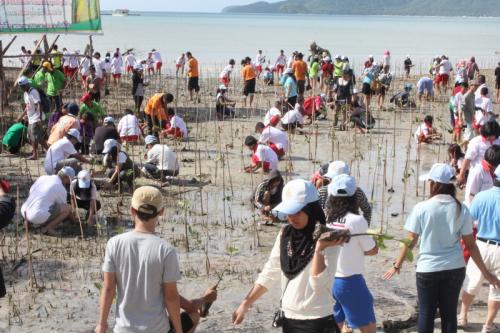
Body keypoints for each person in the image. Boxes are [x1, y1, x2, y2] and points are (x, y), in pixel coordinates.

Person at [383, 163, 500, 333]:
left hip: (427, 269)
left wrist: (397, 265)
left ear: (434, 184)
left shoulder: (421, 208)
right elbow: (471, 246)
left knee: (426, 313)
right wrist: (487, 273)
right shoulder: (461, 209)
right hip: (455, 268)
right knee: (449, 314)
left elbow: (410, 242)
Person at [232, 179, 345, 332]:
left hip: (318, 320)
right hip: (289, 318)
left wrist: (319, 249)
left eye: (298, 211)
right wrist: (246, 303)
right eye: (289, 212)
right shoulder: (285, 234)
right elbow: (270, 272)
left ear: (310, 209)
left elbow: (320, 285)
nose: (292, 217)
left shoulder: (329, 239)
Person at [95, 186, 183, 333]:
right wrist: (179, 331)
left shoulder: (114, 243)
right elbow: (171, 297)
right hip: (157, 329)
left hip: (123, 329)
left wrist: (102, 324)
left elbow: (109, 288)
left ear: (132, 210)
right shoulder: (166, 250)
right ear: (161, 212)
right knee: (192, 319)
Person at [325, 174, 378, 333]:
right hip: (350, 281)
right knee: (368, 327)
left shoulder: (327, 219)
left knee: (336, 325)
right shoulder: (357, 220)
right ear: (354, 196)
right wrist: (374, 244)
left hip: (330, 280)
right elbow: (371, 250)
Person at [459, 165, 500, 333]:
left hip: (481, 245)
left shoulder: (481, 196)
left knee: (471, 283)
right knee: (497, 289)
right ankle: (488, 325)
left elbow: (468, 220)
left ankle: (463, 316)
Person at [21, 166, 76, 236]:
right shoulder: (60, 187)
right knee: (67, 208)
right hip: (36, 216)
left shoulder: (43, 177)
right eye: (69, 180)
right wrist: (73, 220)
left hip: (24, 211)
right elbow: (64, 207)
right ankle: (48, 228)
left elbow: (30, 192)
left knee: (39, 201)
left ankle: (27, 222)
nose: (68, 182)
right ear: (66, 177)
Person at [318, 161, 372, 225]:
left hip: (350, 229)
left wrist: (363, 228)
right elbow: (317, 212)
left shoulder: (357, 191)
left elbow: (367, 210)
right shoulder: (323, 191)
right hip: (328, 230)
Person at [457, 121, 500, 185]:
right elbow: (467, 159)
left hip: (496, 176)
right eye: (486, 136)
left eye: (490, 136)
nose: (487, 138)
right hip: (478, 175)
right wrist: (461, 174)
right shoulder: (476, 142)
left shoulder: (498, 141)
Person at [16, 76, 49, 160]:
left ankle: (35, 155)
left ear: (27, 84)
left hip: (36, 117)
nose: (22, 88)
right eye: (21, 86)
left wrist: (39, 117)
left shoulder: (33, 92)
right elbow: (28, 106)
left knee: (34, 136)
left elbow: (39, 104)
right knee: (35, 137)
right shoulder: (25, 94)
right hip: (31, 118)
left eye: (23, 86)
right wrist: (22, 116)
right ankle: (50, 151)